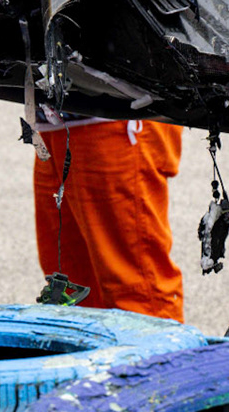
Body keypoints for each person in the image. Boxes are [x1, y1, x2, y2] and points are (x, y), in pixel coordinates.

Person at [30, 113, 183, 320]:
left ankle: (155, 353)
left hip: (112, 113)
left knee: (135, 290)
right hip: (56, 117)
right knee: (69, 284)